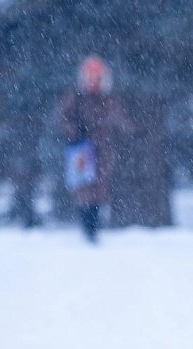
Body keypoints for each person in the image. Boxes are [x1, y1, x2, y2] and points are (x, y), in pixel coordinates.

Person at [59, 55, 133, 242]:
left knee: (100, 188)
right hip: (82, 150)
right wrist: (75, 131)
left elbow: (121, 120)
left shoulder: (109, 99)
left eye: (97, 78)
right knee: (83, 188)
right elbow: (64, 118)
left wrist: (132, 129)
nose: (93, 82)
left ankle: (94, 227)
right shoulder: (76, 98)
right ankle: (86, 226)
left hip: (104, 150)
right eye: (90, 77)